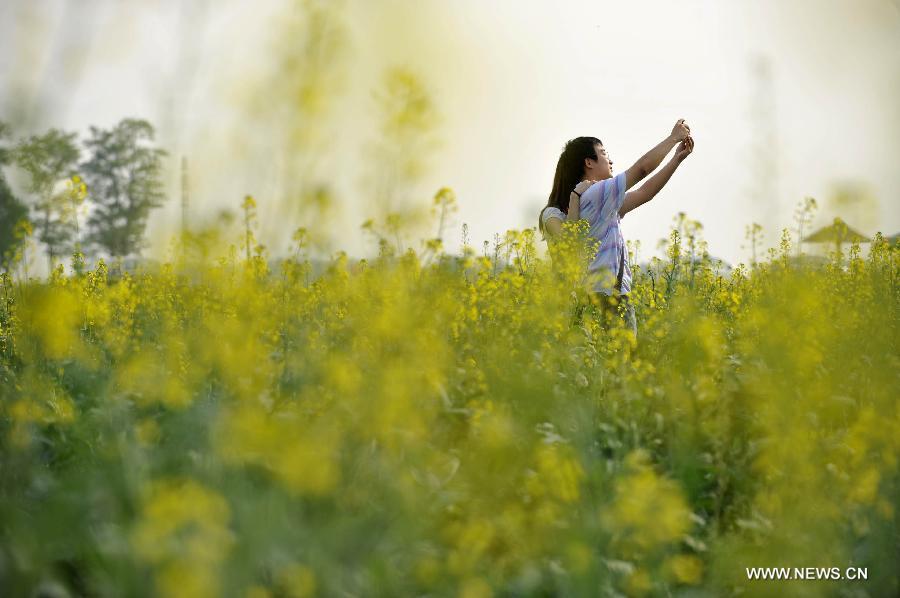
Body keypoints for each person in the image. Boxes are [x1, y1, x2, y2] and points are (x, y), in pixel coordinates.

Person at [539, 120, 695, 339]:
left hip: (589, 298)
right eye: (603, 154)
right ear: (589, 163)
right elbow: (642, 169)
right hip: (608, 297)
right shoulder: (595, 195)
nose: (610, 159)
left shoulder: (601, 202)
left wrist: (676, 159)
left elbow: (644, 193)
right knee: (618, 368)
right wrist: (673, 138)